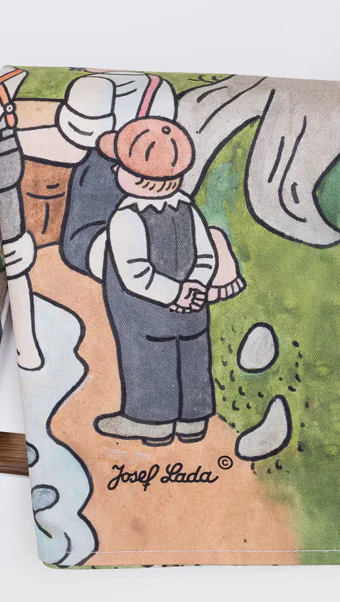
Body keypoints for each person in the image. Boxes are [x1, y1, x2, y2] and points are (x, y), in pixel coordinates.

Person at [92, 117, 217, 446]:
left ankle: (151, 421)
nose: (114, 170)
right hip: (192, 306)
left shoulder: (126, 217)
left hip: (145, 311)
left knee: (149, 357)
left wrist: (175, 294)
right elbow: (207, 255)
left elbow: (135, 274)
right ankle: (192, 419)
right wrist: (195, 286)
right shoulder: (189, 209)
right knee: (192, 354)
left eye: (119, 165)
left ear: (133, 176)